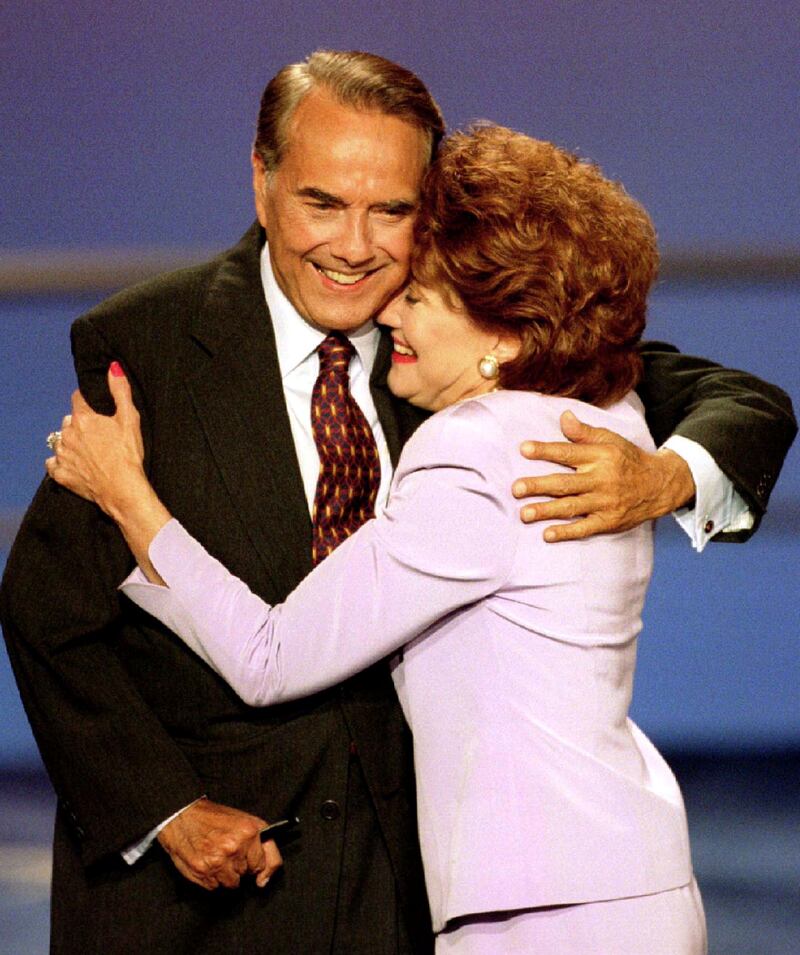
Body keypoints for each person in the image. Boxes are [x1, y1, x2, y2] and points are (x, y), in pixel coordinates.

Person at [0, 50, 795, 955]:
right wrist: (168, 808)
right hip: (206, 903)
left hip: (419, 896)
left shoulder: (494, 336)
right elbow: (47, 608)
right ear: (262, 183)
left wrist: (669, 474)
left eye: (391, 211)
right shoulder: (146, 343)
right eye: (322, 203)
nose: (354, 247)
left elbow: (741, 398)